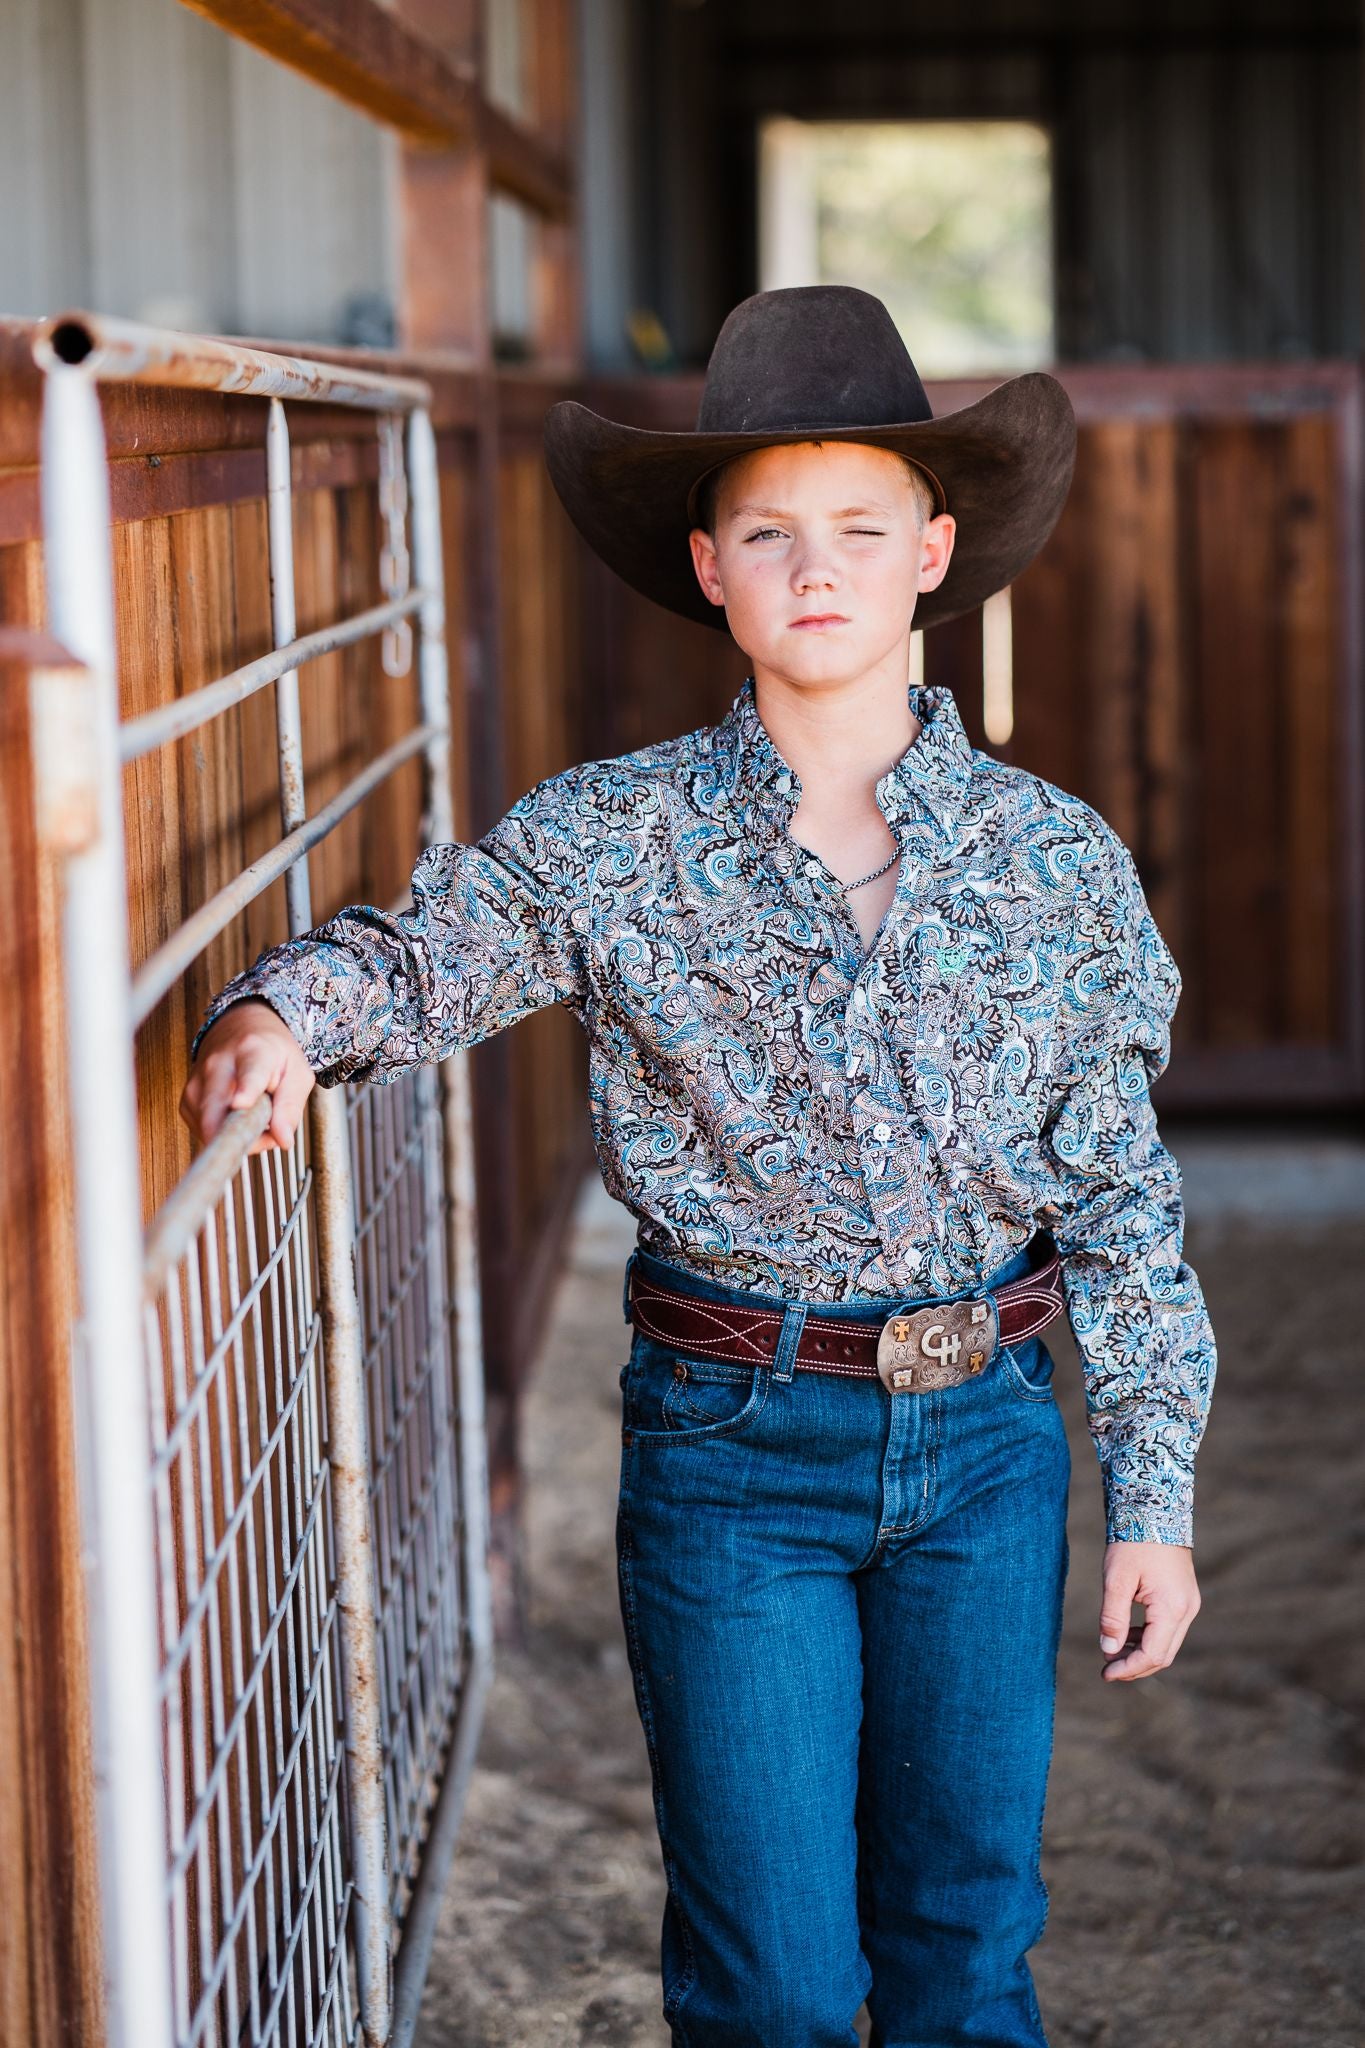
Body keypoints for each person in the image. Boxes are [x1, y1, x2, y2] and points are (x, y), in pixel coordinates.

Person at [181, 285, 1216, 2047]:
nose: (816, 567)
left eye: (860, 528)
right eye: (768, 532)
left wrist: (1156, 1492)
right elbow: (445, 947)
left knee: (967, 1942)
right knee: (772, 1982)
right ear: (710, 567)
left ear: (933, 556)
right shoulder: (611, 836)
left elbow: (1121, 1198)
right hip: (734, 1449)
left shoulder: (1058, 862)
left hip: (981, 1445)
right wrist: (284, 1012)